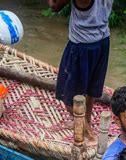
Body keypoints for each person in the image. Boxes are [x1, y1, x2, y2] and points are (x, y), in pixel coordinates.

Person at [48, 0, 113, 145]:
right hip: (103, 42)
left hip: (81, 46)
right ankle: (87, 121)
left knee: (68, 98)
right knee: (91, 90)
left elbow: (54, 6)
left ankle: (89, 135)